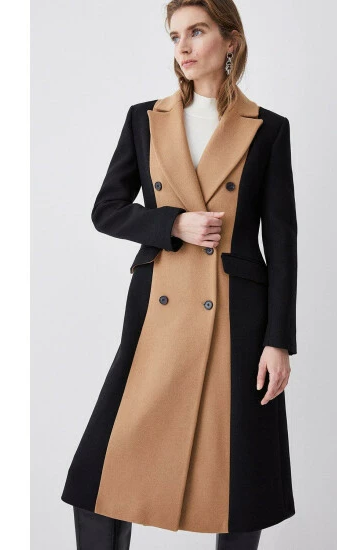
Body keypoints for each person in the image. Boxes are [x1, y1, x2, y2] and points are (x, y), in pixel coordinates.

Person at [61, 1, 298, 548]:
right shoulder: (145, 118)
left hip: (237, 319)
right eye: (175, 36)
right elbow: (106, 210)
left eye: (197, 31)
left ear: (231, 40)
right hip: (156, 311)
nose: (183, 47)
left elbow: (283, 242)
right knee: (99, 478)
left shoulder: (268, 129)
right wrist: (173, 223)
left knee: (239, 483)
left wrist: (278, 341)